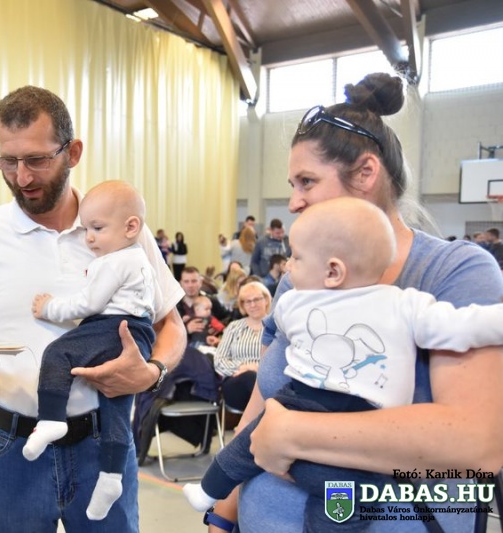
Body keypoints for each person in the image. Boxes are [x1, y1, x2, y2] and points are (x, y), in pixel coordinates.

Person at [207, 73, 503, 533]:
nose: (294, 201)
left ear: (366, 173)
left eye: (307, 181)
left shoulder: (451, 271)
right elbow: (266, 398)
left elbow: (474, 444)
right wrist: (223, 514)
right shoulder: (303, 276)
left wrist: (292, 434)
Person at [0, 85, 186, 532]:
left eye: (37, 160)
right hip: (10, 448)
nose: (22, 177)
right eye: (8, 161)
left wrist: (152, 372)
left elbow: (171, 326)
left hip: (102, 443)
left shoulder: (120, 229)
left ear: (73, 152)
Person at [186, 196, 503, 530]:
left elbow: (462, 325)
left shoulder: (403, 305)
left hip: (347, 418)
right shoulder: (297, 301)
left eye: (297, 258)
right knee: (247, 448)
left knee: (337, 496)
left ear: (333, 270)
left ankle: (218, 493)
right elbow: (462, 324)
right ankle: (208, 491)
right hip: (298, 401)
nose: (288, 266)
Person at [26, 180, 161, 520]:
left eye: (98, 229)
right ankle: (111, 476)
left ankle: (51, 420)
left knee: (58, 354)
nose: (89, 238)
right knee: (115, 408)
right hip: (139, 333)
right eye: (86, 229)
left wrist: (49, 307)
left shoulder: (114, 261)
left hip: (112, 328)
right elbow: (155, 305)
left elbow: (90, 302)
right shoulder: (141, 261)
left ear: (131, 227)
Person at [213, 281, 271, 418]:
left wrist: (258, 369)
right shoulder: (233, 327)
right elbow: (219, 360)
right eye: (247, 301)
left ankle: (258, 425)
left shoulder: (276, 327)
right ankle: (271, 422)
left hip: (267, 380)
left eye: (257, 299)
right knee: (250, 377)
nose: (253, 305)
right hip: (236, 382)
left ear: (266, 300)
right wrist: (244, 368)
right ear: (242, 305)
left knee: (260, 381)